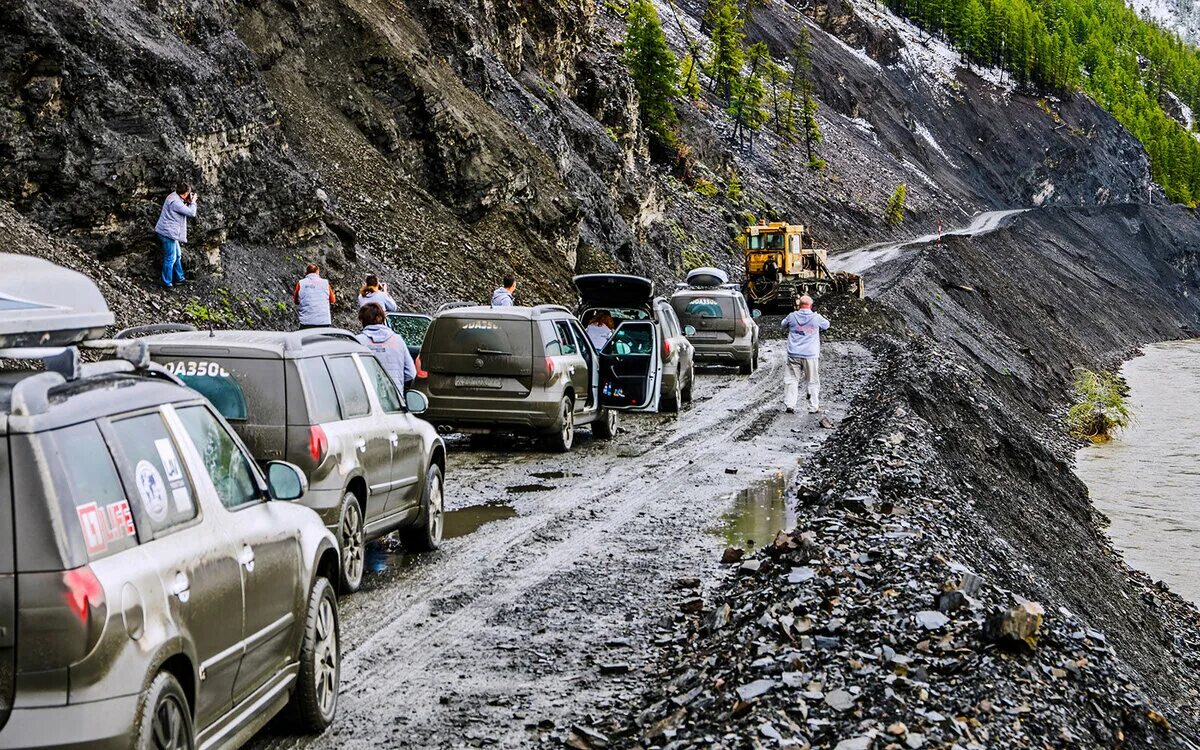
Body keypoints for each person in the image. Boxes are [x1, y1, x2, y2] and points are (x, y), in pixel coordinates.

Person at [780, 295, 830, 414]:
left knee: (791, 380)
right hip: (810, 355)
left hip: (794, 354)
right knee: (812, 380)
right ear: (811, 305)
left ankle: (790, 405)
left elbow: (783, 325)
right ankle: (813, 406)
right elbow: (826, 325)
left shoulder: (792, 316)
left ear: (799, 305)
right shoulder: (816, 318)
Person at [357, 302, 415, 395]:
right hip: (395, 399)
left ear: (362, 320)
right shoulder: (398, 340)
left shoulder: (358, 342)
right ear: (383, 319)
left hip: (368, 399)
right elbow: (411, 373)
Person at [153, 181, 198, 289]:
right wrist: (194, 202)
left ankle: (179, 279)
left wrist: (187, 200)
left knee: (177, 256)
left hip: (170, 232)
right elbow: (191, 213)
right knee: (170, 258)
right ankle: (166, 282)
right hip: (167, 233)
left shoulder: (174, 196)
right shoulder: (175, 202)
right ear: (185, 193)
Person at [294, 263, 336, 329]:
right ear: (317, 271)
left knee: (306, 339)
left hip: (306, 322)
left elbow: (296, 301)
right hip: (323, 321)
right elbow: (333, 300)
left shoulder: (300, 283)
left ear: (307, 272)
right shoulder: (325, 283)